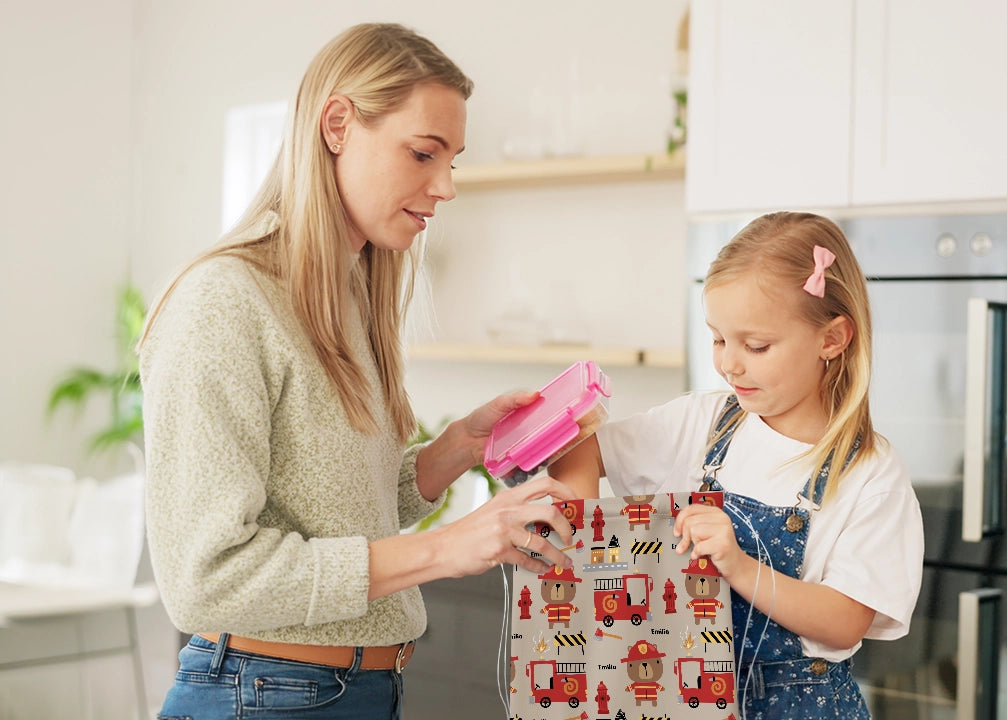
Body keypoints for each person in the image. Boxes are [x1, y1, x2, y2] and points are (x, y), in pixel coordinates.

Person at [138, 23, 577, 720]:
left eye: (453, 161)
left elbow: (343, 510)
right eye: (423, 153)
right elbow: (206, 580)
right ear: (338, 124)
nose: (446, 187)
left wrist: (460, 445)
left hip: (354, 691)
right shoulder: (223, 302)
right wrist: (441, 550)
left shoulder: (346, 296)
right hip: (264, 694)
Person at [550, 211, 923, 719]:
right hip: (685, 695)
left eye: (756, 345)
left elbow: (845, 620)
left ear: (832, 340)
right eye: (719, 338)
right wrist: (585, 542)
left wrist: (740, 566)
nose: (729, 363)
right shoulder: (703, 421)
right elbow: (580, 447)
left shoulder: (870, 473)